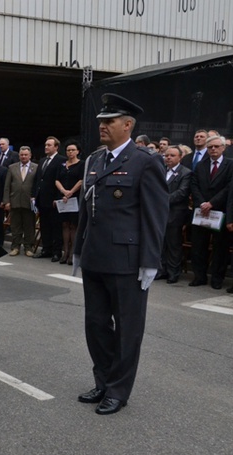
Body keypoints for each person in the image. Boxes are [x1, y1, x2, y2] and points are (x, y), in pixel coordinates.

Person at [72, 93, 168, 415]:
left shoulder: (145, 161)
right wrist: (77, 249)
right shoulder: (95, 160)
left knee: (128, 330)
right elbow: (87, 207)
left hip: (127, 261)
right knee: (95, 325)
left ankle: (118, 390)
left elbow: (155, 215)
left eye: (109, 121)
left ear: (127, 125)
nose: (102, 125)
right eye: (101, 121)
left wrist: (150, 262)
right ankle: (103, 380)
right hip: (95, 257)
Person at [189, 134, 232, 289]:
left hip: (219, 211)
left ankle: (217, 278)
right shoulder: (201, 165)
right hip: (201, 211)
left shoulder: (230, 164)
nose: (213, 149)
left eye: (216, 146)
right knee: (198, 246)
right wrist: (202, 203)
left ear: (223, 147)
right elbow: (194, 185)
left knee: (220, 247)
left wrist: (212, 203)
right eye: (210, 147)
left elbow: (229, 188)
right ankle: (199, 276)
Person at [157, 145, 191, 284]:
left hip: (175, 213)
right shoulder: (161, 170)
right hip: (160, 213)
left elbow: (182, 193)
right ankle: (162, 270)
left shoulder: (185, 173)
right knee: (161, 243)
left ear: (180, 157)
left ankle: (173, 272)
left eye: (172, 155)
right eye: (166, 155)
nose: (168, 158)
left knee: (173, 244)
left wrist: (162, 200)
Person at [32, 136, 66, 261]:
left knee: (56, 226)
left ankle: (57, 251)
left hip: (53, 200)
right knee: (44, 225)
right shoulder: (42, 161)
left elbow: (61, 179)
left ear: (56, 147)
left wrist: (58, 198)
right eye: (45, 145)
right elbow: (38, 180)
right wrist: (34, 195)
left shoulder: (61, 160)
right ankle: (46, 249)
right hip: (41, 199)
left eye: (49, 145)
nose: (46, 147)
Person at [3, 146, 38, 257]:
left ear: (30, 155)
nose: (23, 156)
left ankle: (28, 247)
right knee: (15, 226)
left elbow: (37, 185)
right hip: (15, 201)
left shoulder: (36, 167)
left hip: (29, 202)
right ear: (19, 156)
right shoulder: (12, 167)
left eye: (25, 155)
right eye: (21, 155)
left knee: (29, 226)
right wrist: (6, 201)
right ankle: (15, 247)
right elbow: (7, 186)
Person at [54, 141, 84, 265]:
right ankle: (65, 252)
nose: (70, 152)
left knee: (73, 225)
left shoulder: (81, 164)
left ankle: (72, 253)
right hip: (63, 197)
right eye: (68, 150)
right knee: (64, 225)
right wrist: (63, 191)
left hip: (75, 197)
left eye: (72, 150)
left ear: (78, 151)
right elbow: (56, 180)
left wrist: (70, 192)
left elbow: (81, 180)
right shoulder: (62, 165)